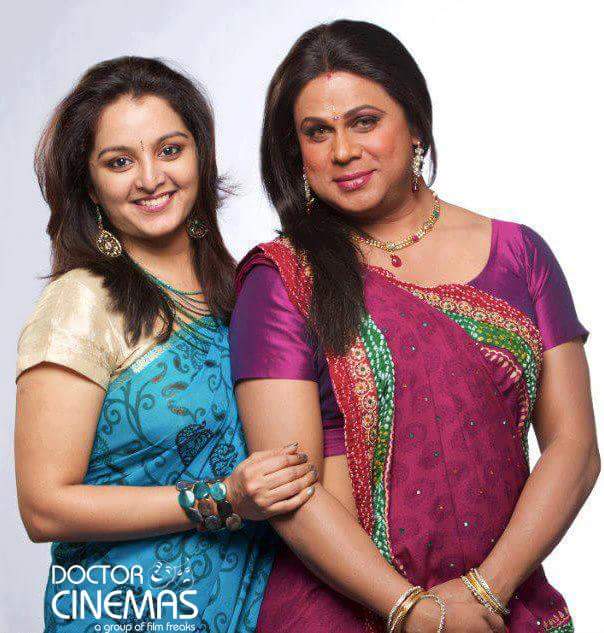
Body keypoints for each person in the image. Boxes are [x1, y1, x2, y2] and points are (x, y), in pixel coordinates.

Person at [229, 20, 599, 633]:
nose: (342, 151)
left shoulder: (520, 256)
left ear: (416, 122)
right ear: (296, 152)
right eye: (317, 132)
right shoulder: (282, 281)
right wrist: (414, 611)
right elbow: (288, 488)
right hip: (342, 610)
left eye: (364, 121)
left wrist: (485, 591)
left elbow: (575, 449)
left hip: (502, 604)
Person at [14, 56, 317, 632]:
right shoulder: (82, 302)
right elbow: (43, 507)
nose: (151, 178)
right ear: (89, 185)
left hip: (252, 607)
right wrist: (221, 499)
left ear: (201, 157)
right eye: (119, 162)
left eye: (170, 150)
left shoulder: (244, 291)